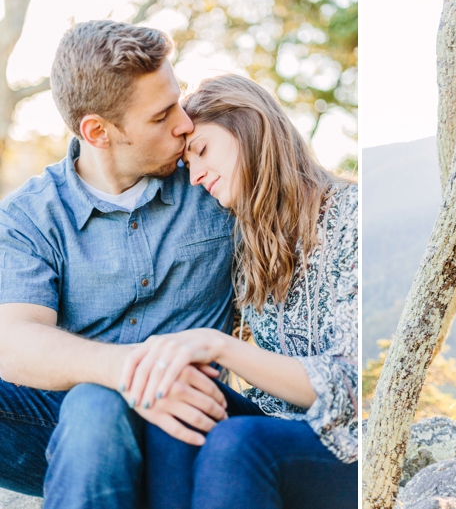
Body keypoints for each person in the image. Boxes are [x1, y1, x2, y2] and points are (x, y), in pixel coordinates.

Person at [0, 20, 235, 508]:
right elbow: (13, 340)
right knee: (94, 402)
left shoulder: (212, 176)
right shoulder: (30, 216)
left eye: (179, 101)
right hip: (63, 423)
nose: (185, 125)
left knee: (95, 402)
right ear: (97, 131)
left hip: (189, 413)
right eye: (160, 116)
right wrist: (130, 371)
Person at [117, 74, 358, 508]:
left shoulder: (351, 218)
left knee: (238, 442)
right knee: (175, 399)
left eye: (203, 151)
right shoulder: (244, 236)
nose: (195, 177)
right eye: (189, 166)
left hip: (351, 440)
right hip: (272, 424)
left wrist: (216, 346)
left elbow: (349, 385)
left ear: (250, 124)